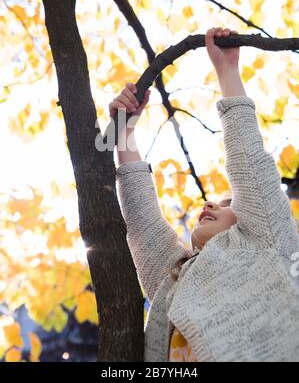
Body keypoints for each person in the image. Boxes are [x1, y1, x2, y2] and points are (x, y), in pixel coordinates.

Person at [110, 27, 299, 362]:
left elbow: (248, 161)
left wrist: (227, 71)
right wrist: (124, 133)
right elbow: (144, 228)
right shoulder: (174, 277)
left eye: (228, 205)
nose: (210, 203)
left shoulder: (266, 240)